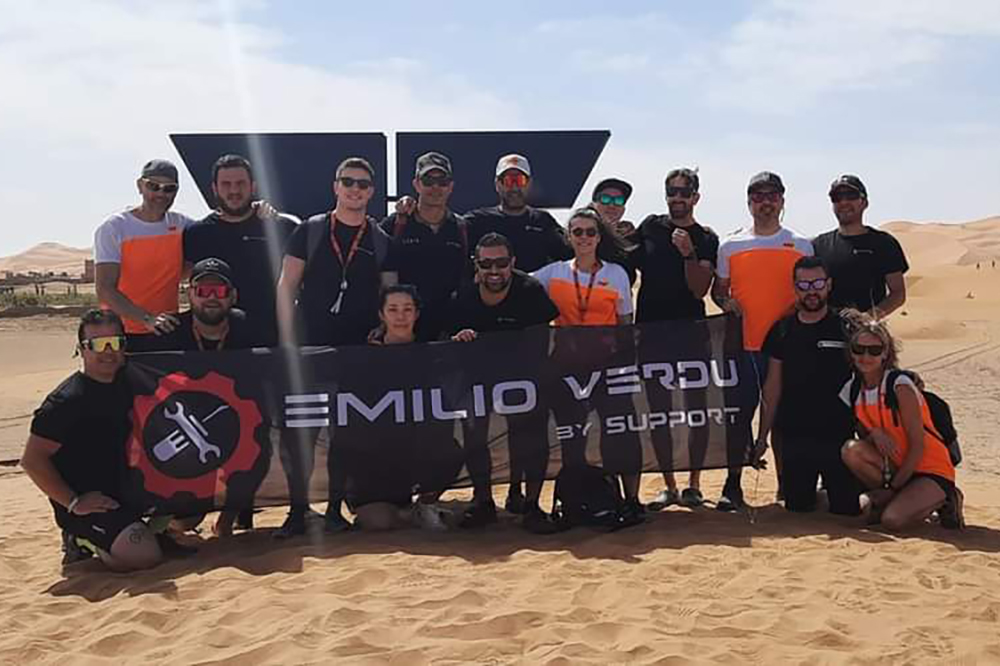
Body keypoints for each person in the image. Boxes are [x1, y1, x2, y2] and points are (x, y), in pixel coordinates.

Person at [274, 157, 397, 538]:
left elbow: (390, 293)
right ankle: (298, 511)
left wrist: (383, 330)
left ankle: (333, 510)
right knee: (302, 433)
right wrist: (286, 342)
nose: (355, 189)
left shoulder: (380, 240)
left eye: (362, 184)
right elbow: (286, 287)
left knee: (346, 434)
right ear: (336, 186)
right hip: (309, 350)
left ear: (371, 192)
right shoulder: (309, 231)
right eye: (348, 182)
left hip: (358, 353)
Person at [20, 310, 163, 570]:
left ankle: (146, 529)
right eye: (98, 344)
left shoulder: (132, 381)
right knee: (145, 555)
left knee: (189, 513)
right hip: (90, 502)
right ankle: (81, 540)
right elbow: (32, 460)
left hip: (128, 489)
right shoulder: (65, 402)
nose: (108, 351)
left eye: (115, 342)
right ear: (81, 349)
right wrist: (73, 502)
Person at [128, 257, 258, 536]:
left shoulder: (248, 327)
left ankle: (226, 521)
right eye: (203, 291)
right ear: (190, 294)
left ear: (233, 296)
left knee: (257, 449)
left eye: (219, 291)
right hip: (183, 430)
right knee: (186, 520)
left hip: (230, 422)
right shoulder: (169, 331)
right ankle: (166, 526)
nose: (211, 298)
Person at [533, 206, 643, 521]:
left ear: (599, 237)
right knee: (572, 437)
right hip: (566, 367)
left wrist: (625, 362)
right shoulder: (553, 273)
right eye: (577, 232)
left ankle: (631, 500)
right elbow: (516, 284)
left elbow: (625, 323)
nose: (584, 237)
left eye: (590, 232)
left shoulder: (616, 274)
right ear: (569, 237)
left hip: (607, 366)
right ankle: (575, 502)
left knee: (620, 433)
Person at [712, 171, 813, 511]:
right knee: (739, 417)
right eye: (758, 196)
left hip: (788, 348)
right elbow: (719, 291)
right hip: (745, 347)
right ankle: (732, 484)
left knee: (785, 418)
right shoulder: (730, 245)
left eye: (772, 196)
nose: (765, 202)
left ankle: (787, 485)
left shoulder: (801, 245)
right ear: (749, 202)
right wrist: (726, 303)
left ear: (782, 201)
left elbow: (810, 291)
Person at [450, 233, 560, 532]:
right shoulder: (464, 295)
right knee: (475, 434)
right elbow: (451, 339)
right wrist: (460, 337)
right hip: (478, 376)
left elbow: (542, 338)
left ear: (512, 262)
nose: (494, 270)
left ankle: (531, 505)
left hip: (524, 373)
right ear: (476, 264)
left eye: (501, 263)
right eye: (486, 264)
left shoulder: (530, 290)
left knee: (531, 434)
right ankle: (483, 502)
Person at [344, 285, 464, 531]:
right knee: (378, 522)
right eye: (393, 309)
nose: (401, 316)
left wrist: (464, 343)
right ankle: (409, 512)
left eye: (408, 309)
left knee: (451, 451)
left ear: (417, 314)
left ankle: (425, 504)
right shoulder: (363, 357)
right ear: (382, 314)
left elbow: (443, 408)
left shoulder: (432, 353)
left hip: (416, 450)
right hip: (376, 458)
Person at [635, 167, 719, 510]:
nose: (677, 198)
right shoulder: (650, 226)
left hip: (691, 334)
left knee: (696, 411)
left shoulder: (706, 238)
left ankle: (694, 484)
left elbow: (700, 289)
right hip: (651, 334)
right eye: (672, 191)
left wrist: (688, 254)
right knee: (660, 413)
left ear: (696, 197)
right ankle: (669, 485)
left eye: (684, 192)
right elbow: (625, 261)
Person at [840, 310, 963, 530]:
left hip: (928, 468)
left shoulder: (900, 386)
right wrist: (874, 434)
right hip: (895, 466)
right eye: (859, 349)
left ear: (885, 354)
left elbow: (917, 446)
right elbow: (865, 439)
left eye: (874, 350)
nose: (866, 356)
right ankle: (898, 499)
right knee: (851, 450)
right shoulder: (853, 389)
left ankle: (947, 497)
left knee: (892, 520)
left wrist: (893, 489)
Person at [757, 257, 860, 514]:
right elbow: (772, 387)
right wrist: (761, 437)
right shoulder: (781, 330)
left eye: (817, 284)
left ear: (829, 285)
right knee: (798, 506)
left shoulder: (847, 327)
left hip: (838, 434)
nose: (811, 291)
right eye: (803, 285)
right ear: (795, 287)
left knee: (846, 508)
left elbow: (872, 371)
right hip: (797, 435)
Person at [183, 154, 299, 347]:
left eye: (240, 183)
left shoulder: (282, 227)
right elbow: (187, 289)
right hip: (217, 344)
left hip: (273, 340)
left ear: (253, 187)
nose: (234, 190)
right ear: (214, 188)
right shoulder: (197, 233)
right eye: (226, 184)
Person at [94, 159, 195, 343]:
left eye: (169, 188)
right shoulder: (115, 228)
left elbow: (214, 234)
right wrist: (147, 319)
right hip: (121, 333)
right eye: (153, 186)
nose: (160, 193)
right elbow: (105, 288)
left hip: (166, 329)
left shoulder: (182, 225)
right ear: (140, 186)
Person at [380, 152, 470, 341]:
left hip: (449, 334)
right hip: (404, 332)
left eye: (442, 181)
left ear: (451, 186)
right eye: (428, 181)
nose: (435, 187)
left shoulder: (462, 228)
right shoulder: (394, 225)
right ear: (416, 184)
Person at [812, 175, 908, 318]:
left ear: (864, 202)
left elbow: (898, 293)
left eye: (850, 196)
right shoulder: (819, 245)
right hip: (827, 328)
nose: (844, 202)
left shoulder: (884, 243)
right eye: (837, 197)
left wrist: (868, 318)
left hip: (869, 329)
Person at [465, 154, 572, 274]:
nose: (515, 188)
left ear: (529, 184)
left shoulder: (543, 221)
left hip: (533, 285)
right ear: (497, 184)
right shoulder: (478, 221)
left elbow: (571, 257)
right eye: (508, 181)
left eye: (520, 180)